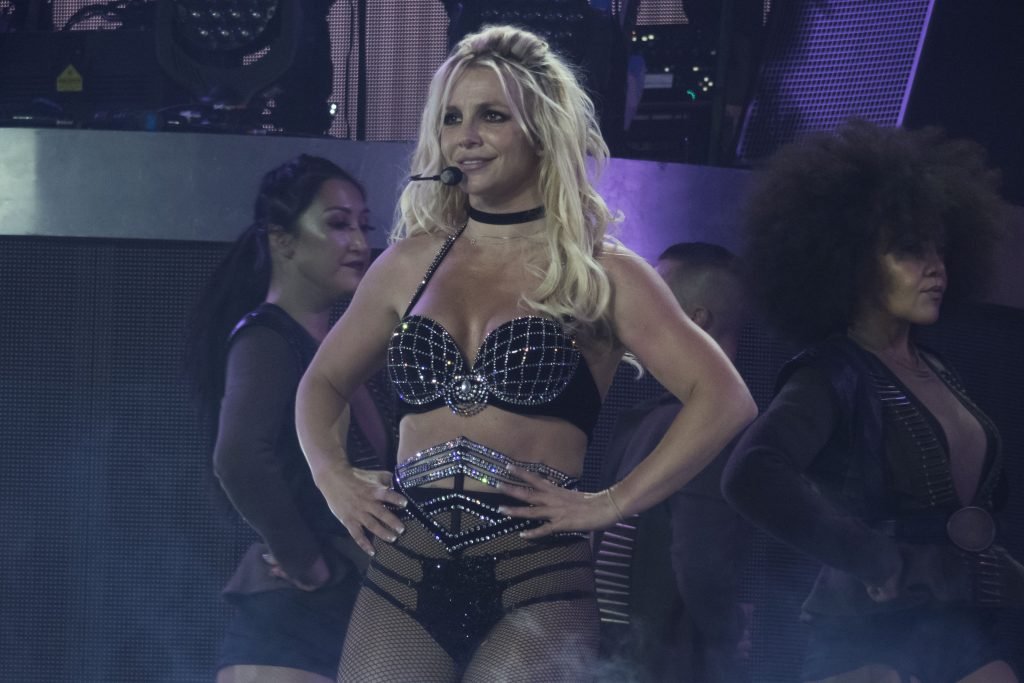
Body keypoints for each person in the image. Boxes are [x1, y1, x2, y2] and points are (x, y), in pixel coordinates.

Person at [294, 25, 756, 682]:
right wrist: (331, 476)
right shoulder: (407, 264)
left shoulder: (603, 273)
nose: (466, 136)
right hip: (404, 572)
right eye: (452, 118)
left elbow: (725, 398)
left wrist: (612, 502)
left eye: (491, 116)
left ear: (540, 130)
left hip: (536, 580)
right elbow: (321, 384)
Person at [721, 120, 1023, 683]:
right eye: (910, 250)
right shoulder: (832, 373)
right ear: (853, 263)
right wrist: (870, 556)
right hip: (869, 631)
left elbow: (950, 515)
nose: (936, 267)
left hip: (957, 625)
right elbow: (751, 473)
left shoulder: (938, 370)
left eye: (940, 249)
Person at [186, 154, 393, 683]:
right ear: (283, 241)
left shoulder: (341, 355)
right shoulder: (268, 338)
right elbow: (238, 458)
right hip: (291, 625)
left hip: (342, 612)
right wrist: (307, 564)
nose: (359, 243)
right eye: (338, 224)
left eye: (364, 226)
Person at [596, 242, 751, 682]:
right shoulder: (650, 420)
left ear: (697, 319)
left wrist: (727, 631)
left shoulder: (703, 426)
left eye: (655, 294)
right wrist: (732, 631)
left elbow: (699, 557)